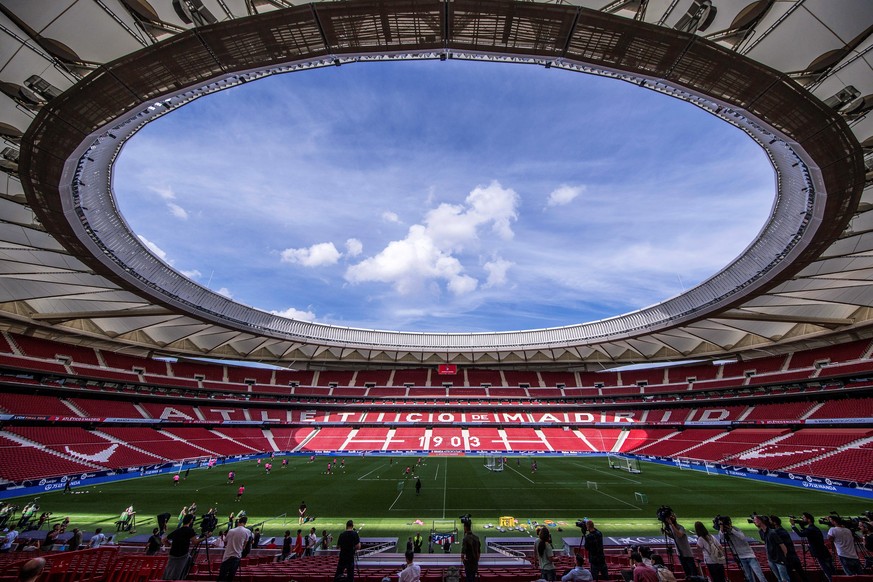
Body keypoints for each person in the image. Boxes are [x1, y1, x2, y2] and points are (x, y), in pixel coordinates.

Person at [716, 517, 767, 582]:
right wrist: (721, 529)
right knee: (749, 577)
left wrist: (731, 529)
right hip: (740, 557)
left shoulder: (735, 529)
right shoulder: (725, 532)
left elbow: (742, 537)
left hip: (750, 555)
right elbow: (721, 538)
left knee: (760, 575)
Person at [770, 516, 808, 582]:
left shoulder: (777, 532)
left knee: (791, 576)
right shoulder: (782, 530)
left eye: (770, 521)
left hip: (788, 557)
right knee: (802, 575)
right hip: (793, 556)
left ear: (775, 523)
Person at [754, 515, 790, 582]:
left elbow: (782, 545)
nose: (754, 521)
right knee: (779, 579)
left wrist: (784, 557)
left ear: (760, 521)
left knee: (784, 579)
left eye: (755, 520)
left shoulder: (772, 532)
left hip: (779, 559)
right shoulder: (761, 532)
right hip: (771, 559)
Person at [162, 514, 198, 580]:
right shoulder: (190, 530)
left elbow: (164, 540)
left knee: (169, 571)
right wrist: (205, 537)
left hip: (173, 554)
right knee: (178, 573)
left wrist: (170, 545)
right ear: (190, 521)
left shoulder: (177, 531)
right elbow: (195, 542)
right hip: (182, 556)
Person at [218, 515, 252, 582]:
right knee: (231, 576)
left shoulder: (231, 531)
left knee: (222, 576)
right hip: (237, 556)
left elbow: (225, 542)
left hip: (227, 556)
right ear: (245, 523)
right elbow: (244, 545)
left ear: (239, 522)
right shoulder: (248, 532)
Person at [664, 513, 697, 578]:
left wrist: (671, 525)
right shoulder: (672, 527)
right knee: (686, 571)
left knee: (693, 571)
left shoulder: (681, 527)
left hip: (686, 552)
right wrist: (667, 533)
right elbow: (675, 537)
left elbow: (679, 535)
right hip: (680, 552)